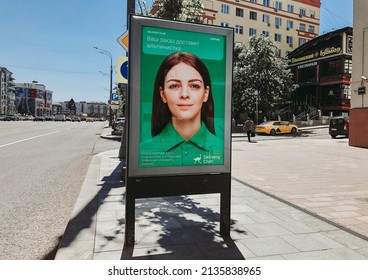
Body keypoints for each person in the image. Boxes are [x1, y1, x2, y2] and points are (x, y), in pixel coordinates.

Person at [140, 52, 224, 167]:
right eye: (174, 86)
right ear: (163, 94)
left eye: (194, 86)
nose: (184, 94)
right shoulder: (142, 151)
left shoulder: (222, 149)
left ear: (206, 93)